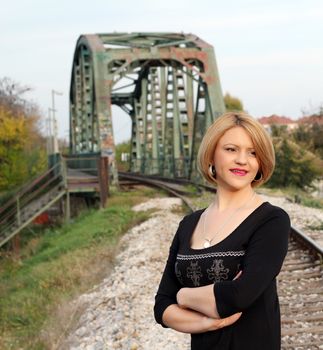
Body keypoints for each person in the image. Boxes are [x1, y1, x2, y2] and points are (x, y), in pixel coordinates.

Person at [154, 112, 290, 349]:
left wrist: (183, 296)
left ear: (260, 163)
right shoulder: (189, 224)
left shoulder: (271, 220)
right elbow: (161, 306)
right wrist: (208, 323)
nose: (242, 160)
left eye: (253, 152)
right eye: (231, 149)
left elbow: (239, 296)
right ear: (211, 155)